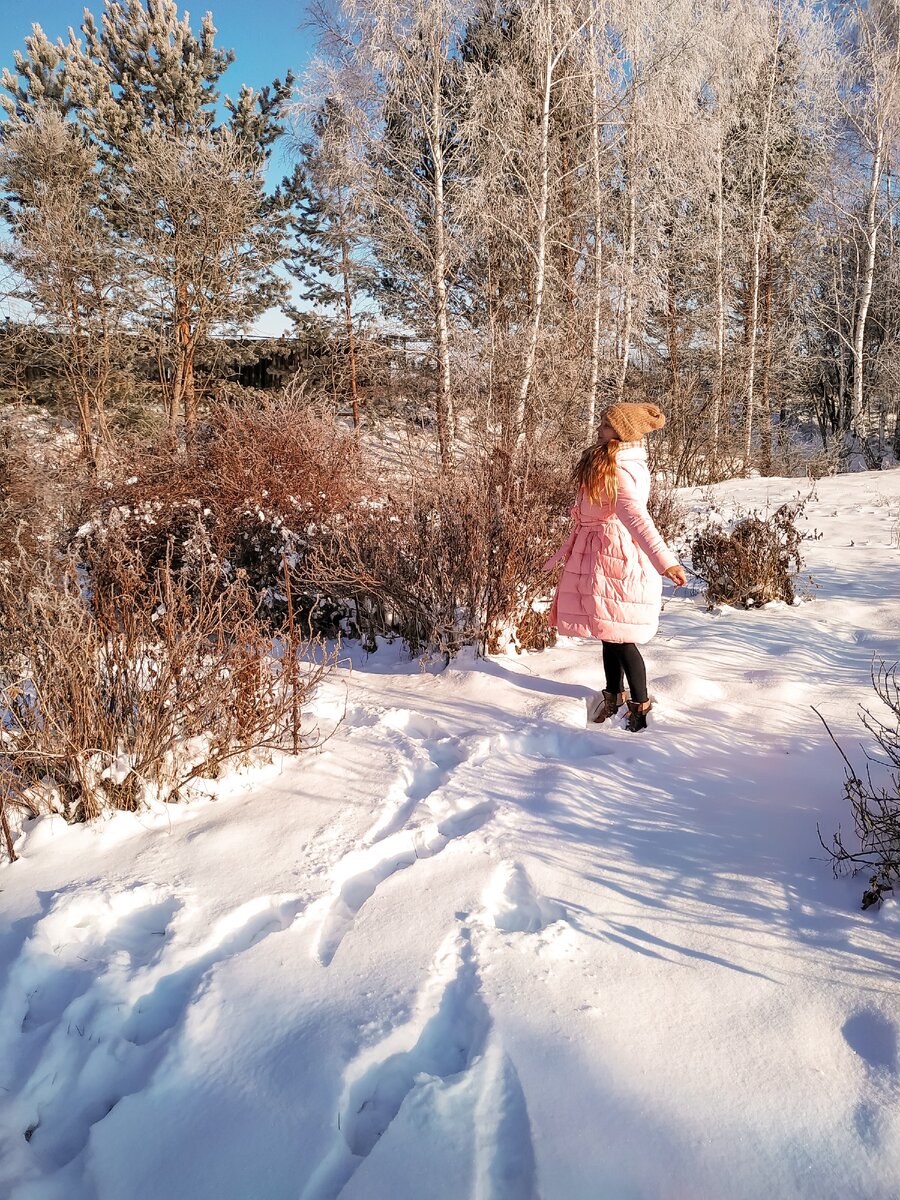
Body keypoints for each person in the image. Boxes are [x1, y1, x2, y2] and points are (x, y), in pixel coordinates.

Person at [542, 402, 687, 733]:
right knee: (608, 632)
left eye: (606, 425)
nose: (599, 428)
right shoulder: (612, 461)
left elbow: (636, 517)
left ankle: (640, 706)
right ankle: (614, 695)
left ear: (622, 433)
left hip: (614, 556)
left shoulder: (618, 469)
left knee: (620, 636)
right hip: (601, 552)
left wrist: (666, 562)